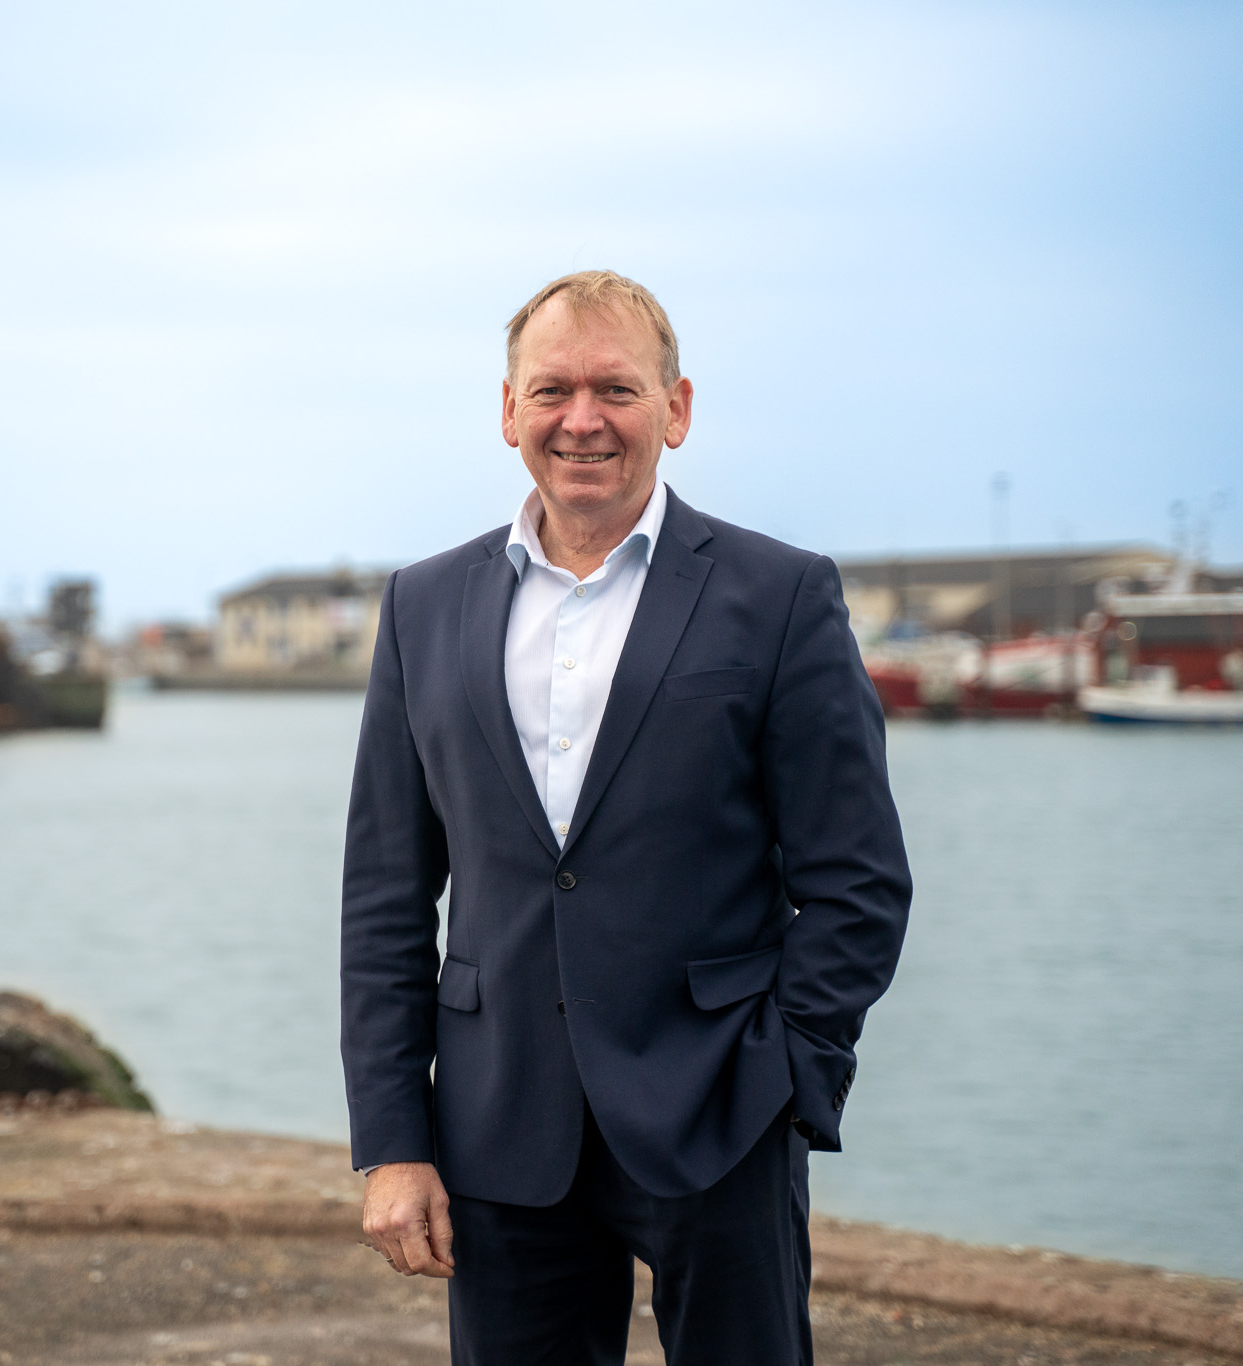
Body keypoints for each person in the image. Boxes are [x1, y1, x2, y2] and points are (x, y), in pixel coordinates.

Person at [339, 270, 912, 1365]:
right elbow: (383, 896)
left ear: (675, 409)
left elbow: (858, 880)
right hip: (497, 1121)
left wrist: (790, 1072)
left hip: (720, 1110)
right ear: (508, 410)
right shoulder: (422, 605)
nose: (582, 419)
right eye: (551, 390)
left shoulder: (780, 595)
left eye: (616, 389)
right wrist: (392, 1141)